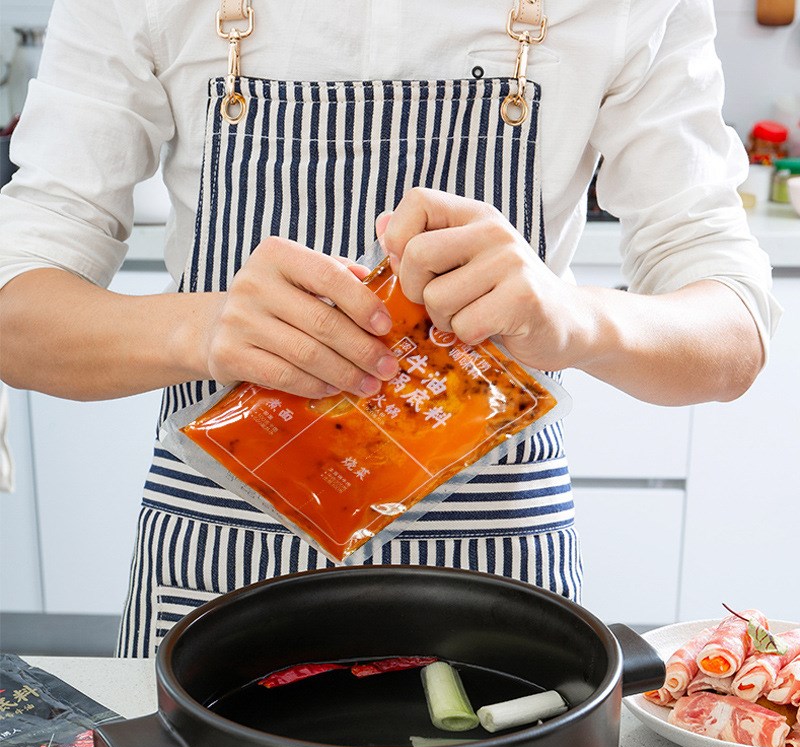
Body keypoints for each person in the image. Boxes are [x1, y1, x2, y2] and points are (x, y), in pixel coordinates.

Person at [0, 0, 780, 657]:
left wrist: (573, 317)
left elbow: (734, 334)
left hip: (502, 599)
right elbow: (16, 312)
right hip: (212, 586)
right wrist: (201, 329)